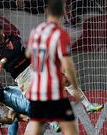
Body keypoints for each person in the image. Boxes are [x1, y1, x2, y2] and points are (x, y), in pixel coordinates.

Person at [0, 24, 103, 114]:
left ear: (1, 31)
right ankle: (53, 121)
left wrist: (2, 61)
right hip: (22, 77)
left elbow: (17, 51)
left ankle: (88, 106)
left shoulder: (13, 38)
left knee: (65, 80)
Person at [25, 0, 79, 134]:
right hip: (53, 90)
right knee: (71, 130)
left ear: (46, 11)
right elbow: (67, 64)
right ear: (63, 13)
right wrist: (75, 88)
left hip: (36, 90)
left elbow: (28, 53)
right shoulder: (59, 33)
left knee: (35, 126)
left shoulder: (36, 31)